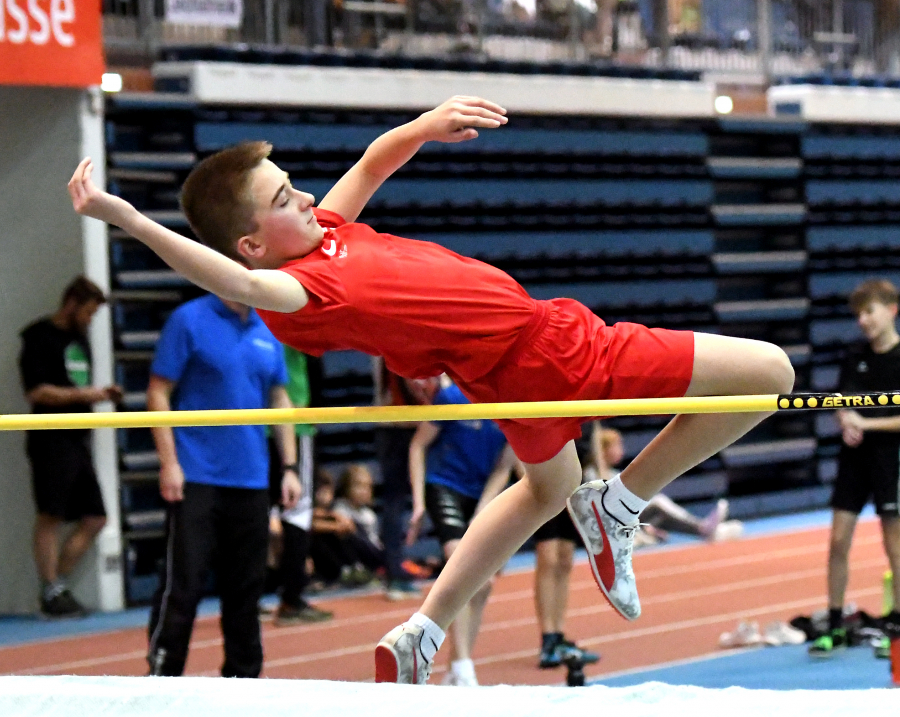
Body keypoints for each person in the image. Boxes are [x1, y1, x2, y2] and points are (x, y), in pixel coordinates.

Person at [67, 95, 795, 686]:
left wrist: (422, 126)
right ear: (254, 242)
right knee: (770, 376)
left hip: (512, 367)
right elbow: (237, 280)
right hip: (555, 350)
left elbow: (368, 164)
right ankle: (621, 502)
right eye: (287, 198)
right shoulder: (295, 289)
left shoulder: (323, 232)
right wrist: (129, 220)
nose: (309, 197)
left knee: (546, 491)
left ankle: (424, 629)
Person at [145, 293, 301, 677]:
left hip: (251, 477)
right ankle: (162, 677)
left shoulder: (268, 326)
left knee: (246, 590)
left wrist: (290, 466)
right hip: (197, 475)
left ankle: (244, 678)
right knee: (184, 585)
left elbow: (279, 397)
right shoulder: (189, 319)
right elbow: (158, 391)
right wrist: (169, 463)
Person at [18, 275, 122, 618]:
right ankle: (50, 589)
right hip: (50, 437)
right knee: (51, 513)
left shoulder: (79, 338)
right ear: (72, 304)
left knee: (96, 517)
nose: (90, 321)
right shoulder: (39, 338)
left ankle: (57, 585)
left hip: (77, 437)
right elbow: (37, 391)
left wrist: (98, 395)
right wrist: (88, 394)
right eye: (88, 313)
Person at [809, 279, 900, 657]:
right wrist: (846, 419)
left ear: (891, 309)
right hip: (854, 462)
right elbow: (841, 401)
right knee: (837, 541)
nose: (863, 320)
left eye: (870, 311)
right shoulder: (854, 355)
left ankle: (896, 623)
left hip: (890, 460)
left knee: (894, 545)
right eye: (858, 315)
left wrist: (867, 424)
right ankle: (834, 623)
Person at [407, 376, 515, 686]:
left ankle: (457, 664)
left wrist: (484, 508)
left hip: (482, 492)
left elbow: (502, 468)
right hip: (446, 488)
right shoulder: (452, 397)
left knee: (483, 586)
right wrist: (418, 502)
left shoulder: (512, 407)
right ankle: (465, 667)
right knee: (462, 569)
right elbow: (418, 445)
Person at [267, 346, 333, 625]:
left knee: (261, 514)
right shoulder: (289, 327)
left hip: (262, 427)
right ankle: (291, 599)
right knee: (298, 513)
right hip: (293, 426)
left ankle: (257, 596)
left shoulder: (257, 325)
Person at [593, 426, 743, 545]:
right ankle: (704, 528)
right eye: (616, 446)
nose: (621, 450)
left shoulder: (614, 473)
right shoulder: (594, 475)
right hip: (614, 521)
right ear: (603, 451)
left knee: (658, 508)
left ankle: (706, 530)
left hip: (632, 515)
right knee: (658, 504)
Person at [532, 424, 601, 670]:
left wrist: (602, 480)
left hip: (577, 482)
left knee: (565, 560)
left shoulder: (589, 399)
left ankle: (558, 635)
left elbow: (595, 441)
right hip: (547, 478)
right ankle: (547, 637)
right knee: (548, 558)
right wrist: (531, 483)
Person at [374, 362, 439, 601]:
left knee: (430, 494)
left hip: (416, 428)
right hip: (395, 428)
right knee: (394, 503)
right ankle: (394, 574)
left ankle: (448, 562)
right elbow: (411, 390)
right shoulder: (394, 350)